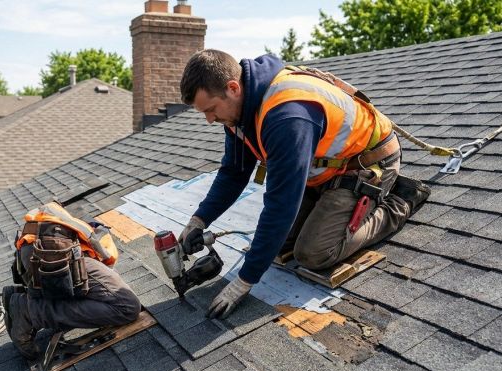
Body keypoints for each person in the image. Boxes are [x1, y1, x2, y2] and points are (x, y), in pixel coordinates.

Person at [178, 49, 431, 319]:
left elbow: (281, 205)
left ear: (232, 88)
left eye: (211, 109)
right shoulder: (239, 112)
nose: (210, 120)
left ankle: (399, 199)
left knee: (314, 253)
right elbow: (234, 172)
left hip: (365, 165)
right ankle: (330, 203)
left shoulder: (287, 114)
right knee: (277, 243)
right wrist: (199, 220)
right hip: (322, 172)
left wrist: (244, 280)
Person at [2, 203, 141, 360]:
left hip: (36, 253)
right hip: (52, 253)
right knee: (127, 306)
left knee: (87, 289)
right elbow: (107, 261)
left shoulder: (72, 225)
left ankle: (27, 297)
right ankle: (31, 311)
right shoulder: (100, 241)